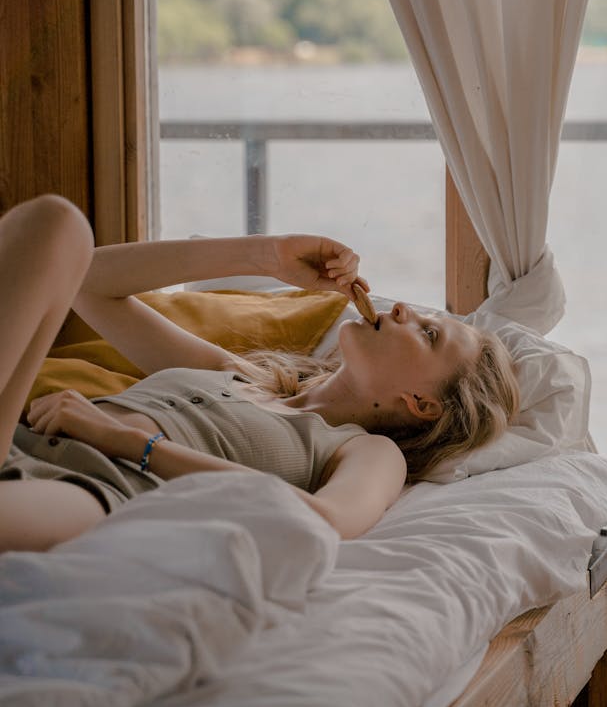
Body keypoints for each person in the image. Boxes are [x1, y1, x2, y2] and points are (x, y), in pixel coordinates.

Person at [0, 195, 519, 553]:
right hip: (18, 441)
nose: (405, 308)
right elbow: (86, 283)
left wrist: (128, 442)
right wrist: (265, 254)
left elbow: (327, 522)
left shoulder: (366, 452)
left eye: (430, 334)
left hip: (91, 488)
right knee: (56, 225)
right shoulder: (239, 374)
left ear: (422, 403)